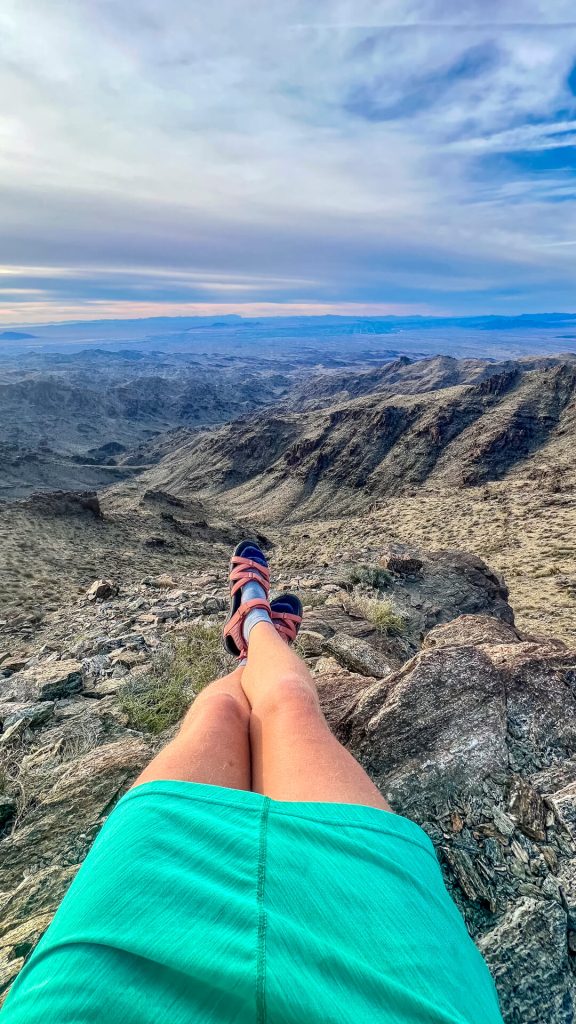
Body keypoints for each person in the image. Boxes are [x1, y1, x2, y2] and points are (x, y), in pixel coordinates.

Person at [1, 541, 504, 1023]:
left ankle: (251, 631)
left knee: (218, 712)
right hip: (384, 960)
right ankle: (262, 630)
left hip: (115, 958)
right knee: (288, 704)